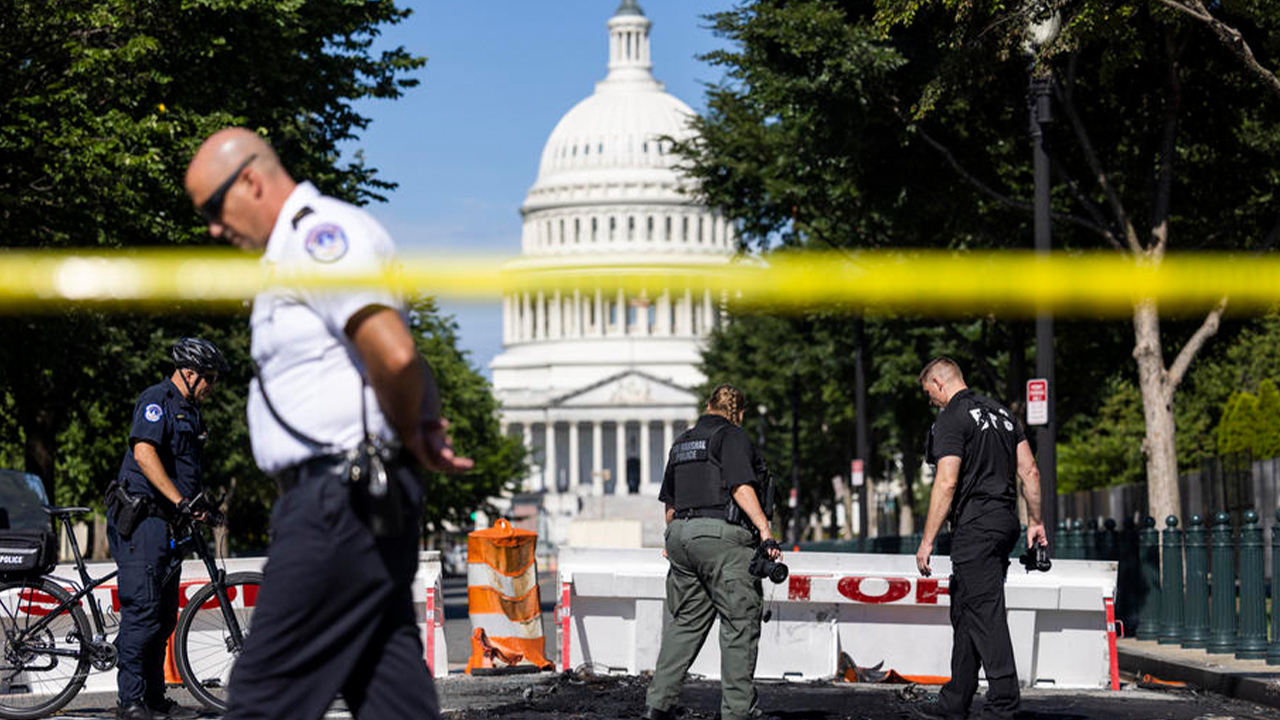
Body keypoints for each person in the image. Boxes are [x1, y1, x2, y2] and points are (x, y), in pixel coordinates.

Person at [184, 127, 473, 720]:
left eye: (213, 209)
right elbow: (401, 354)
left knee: (263, 697)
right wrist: (417, 420)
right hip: (351, 501)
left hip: (335, 501)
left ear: (251, 181)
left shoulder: (319, 238)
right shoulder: (292, 252)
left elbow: (392, 353)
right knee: (392, 696)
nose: (213, 229)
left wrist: (411, 429)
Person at [913, 357, 1047, 720]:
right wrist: (1035, 521)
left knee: (984, 612)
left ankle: (1004, 704)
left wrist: (927, 541)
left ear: (940, 384)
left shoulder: (952, 419)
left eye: (930, 394)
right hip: (1005, 522)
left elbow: (947, 481)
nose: (932, 401)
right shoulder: (1004, 415)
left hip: (975, 527)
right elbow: (1030, 472)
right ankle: (953, 702)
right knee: (967, 609)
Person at [643, 384, 781, 720]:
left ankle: (658, 705)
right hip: (720, 537)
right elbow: (740, 486)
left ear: (707, 406)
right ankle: (737, 713)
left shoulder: (683, 441)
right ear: (740, 413)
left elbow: (670, 503)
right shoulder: (731, 435)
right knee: (739, 622)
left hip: (680, 536)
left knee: (687, 621)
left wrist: (673, 540)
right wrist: (764, 530)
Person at [109, 337, 227, 720]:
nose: (213, 385)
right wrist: (179, 501)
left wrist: (201, 507)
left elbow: (184, 471)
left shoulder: (190, 410)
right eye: (209, 377)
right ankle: (130, 702)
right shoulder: (156, 400)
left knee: (163, 616)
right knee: (142, 611)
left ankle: (155, 699)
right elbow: (144, 453)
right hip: (143, 520)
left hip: (168, 524)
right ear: (189, 373)